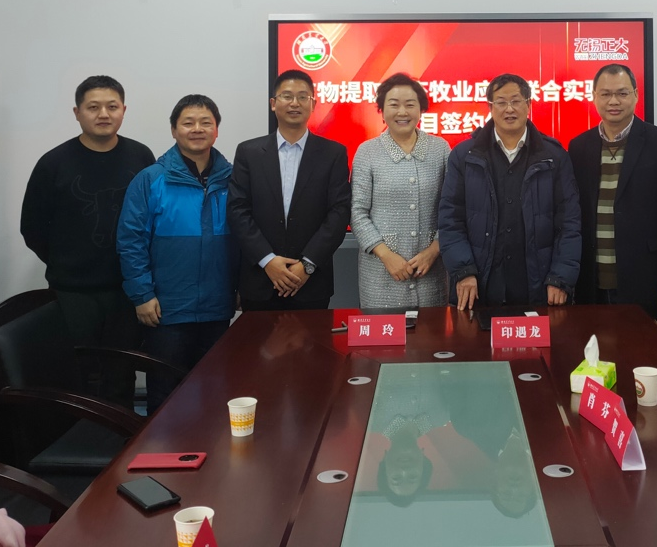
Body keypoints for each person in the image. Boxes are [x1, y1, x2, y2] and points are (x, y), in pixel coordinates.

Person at [20, 75, 154, 407]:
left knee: (122, 372)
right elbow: (32, 228)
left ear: (124, 110)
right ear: (77, 112)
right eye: (93, 107)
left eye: (112, 106)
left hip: (127, 290)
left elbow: (153, 219)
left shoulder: (141, 157)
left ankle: (121, 434)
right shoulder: (53, 163)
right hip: (73, 292)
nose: (103, 114)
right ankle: (79, 436)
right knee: (78, 374)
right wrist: (69, 262)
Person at [117, 94, 234, 413]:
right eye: (188, 123)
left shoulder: (233, 179)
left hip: (216, 308)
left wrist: (239, 287)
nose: (197, 129)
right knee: (165, 395)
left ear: (216, 130)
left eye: (206, 122)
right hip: (166, 309)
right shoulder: (151, 180)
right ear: (173, 130)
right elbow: (131, 240)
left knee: (214, 390)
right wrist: (142, 295)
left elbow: (242, 239)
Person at [568, 63, 657, 333]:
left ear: (636, 95)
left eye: (622, 93)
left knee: (645, 352)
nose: (613, 101)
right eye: (605, 94)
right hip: (593, 281)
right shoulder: (579, 147)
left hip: (646, 280)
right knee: (595, 352)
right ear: (594, 97)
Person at [437, 73, 580, 310]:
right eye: (501, 102)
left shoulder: (554, 157)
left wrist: (560, 278)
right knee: (474, 336)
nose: (509, 109)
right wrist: (463, 271)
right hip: (479, 285)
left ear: (529, 104)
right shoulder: (464, 156)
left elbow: (569, 222)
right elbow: (450, 219)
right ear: (490, 107)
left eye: (516, 101)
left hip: (539, 285)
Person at [228, 69, 351, 311]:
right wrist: (267, 260)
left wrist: (307, 265)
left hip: (311, 283)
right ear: (273, 104)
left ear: (313, 104)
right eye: (287, 96)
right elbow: (237, 210)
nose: (295, 103)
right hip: (260, 280)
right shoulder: (248, 152)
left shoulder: (333, 153)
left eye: (303, 97)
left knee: (312, 338)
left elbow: (339, 213)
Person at [351, 73, 451, 309]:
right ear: (382, 110)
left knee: (431, 331)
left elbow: (453, 209)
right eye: (394, 105)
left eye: (410, 104)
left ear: (421, 109)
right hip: (380, 272)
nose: (402, 112)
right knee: (383, 331)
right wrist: (386, 255)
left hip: (430, 270)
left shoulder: (440, 149)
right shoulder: (367, 152)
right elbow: (357, 212)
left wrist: (435, 249)